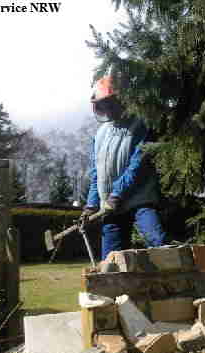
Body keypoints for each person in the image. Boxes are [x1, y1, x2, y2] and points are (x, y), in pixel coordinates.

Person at [82, 75, 168, 261]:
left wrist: (117, 194)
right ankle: (117, 289)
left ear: (123, 100)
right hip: (111, 208)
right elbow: (96, 173)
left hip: (139, 201)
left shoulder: (141, 125)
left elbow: (138, 165)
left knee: (159, 244)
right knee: (111, 262)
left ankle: (180, 283)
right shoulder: (100, 134)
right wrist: (91, 205)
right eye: (104, 104)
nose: (108, 109)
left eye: (111, 103)